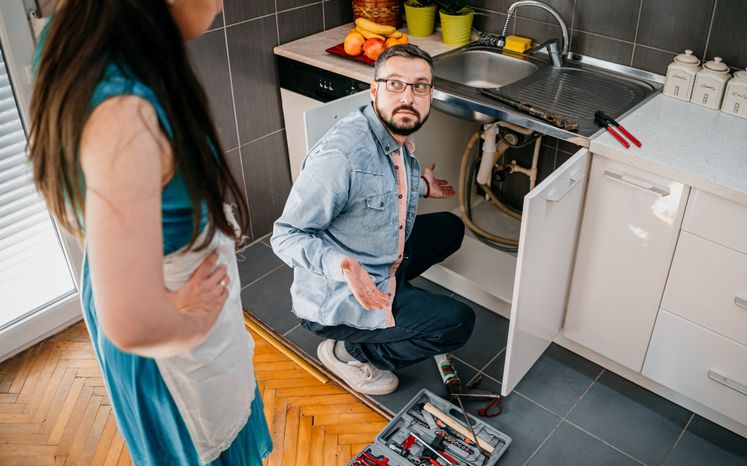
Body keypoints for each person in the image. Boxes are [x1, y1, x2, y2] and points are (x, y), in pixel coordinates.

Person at [27, 1, 272, 464]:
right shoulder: (124, 114)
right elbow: (132, 323)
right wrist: (192, 321)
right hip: (173, 356)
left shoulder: (75, 33)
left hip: (166, 312)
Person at [271, 45, 475, 396]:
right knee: (458, 322)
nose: (408, 97)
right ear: (374, 89)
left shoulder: (393, 134)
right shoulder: (343, 154)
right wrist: (344, 266)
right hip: (337, 295)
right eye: (395, 84)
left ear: (430, 95)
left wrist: (421, 187)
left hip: (375, 264)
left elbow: (377, 190)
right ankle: (353, 351)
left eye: (420, 86)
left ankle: (396, 298)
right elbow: (285, 236)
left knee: (449, 229)